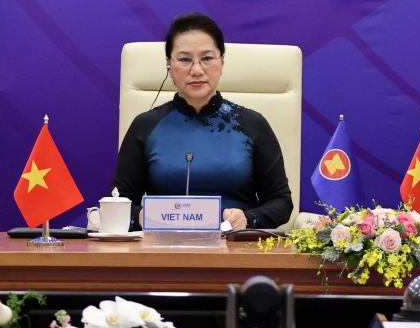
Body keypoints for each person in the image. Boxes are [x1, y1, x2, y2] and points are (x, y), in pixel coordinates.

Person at [111, 12, 293, 230]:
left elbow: (281, 202)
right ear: (169, 64)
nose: (196, 70)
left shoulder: (252, 124)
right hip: (163, 246)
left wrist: (248, 218)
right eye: (184, 59)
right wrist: (143, 216)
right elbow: (117, 203)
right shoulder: (145, 126)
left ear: (222, 62)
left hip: (234, 246)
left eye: (207, 58)